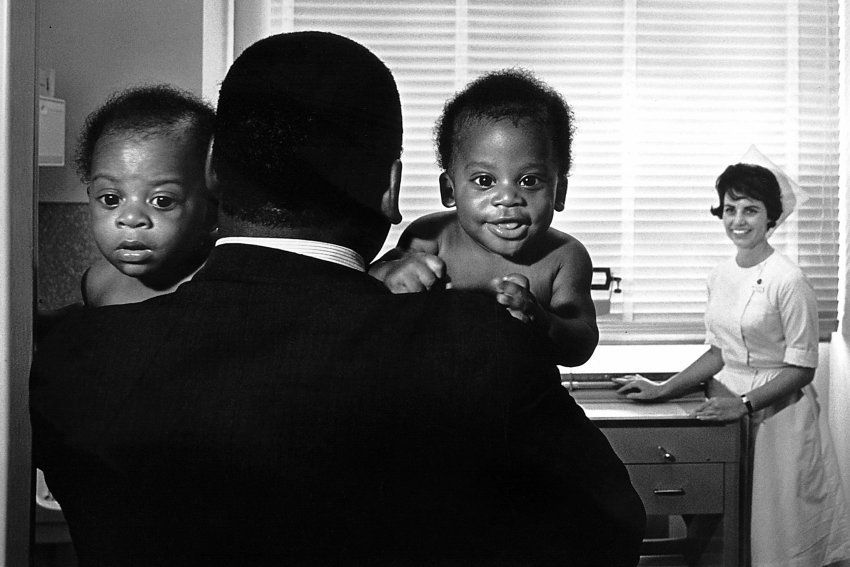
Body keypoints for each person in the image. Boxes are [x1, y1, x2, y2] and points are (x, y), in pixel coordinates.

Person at [30, 32, 645, 566]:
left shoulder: (71, 361)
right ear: (392, 189)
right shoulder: (482, 348)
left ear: (213, 171)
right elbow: (608, 530)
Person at [616, 163, 850, 567]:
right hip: (729, 407)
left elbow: (803, 367)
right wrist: (662, 389)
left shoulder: (789, 279)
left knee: (777, 533)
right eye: (730, 209)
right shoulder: (720, 275)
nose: (738, 220)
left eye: (751, 209)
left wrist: (743, 403)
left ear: (771, 217)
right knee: (730, 530)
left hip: (780, 417)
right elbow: (718, 353)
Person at [370, 69, 597, 367]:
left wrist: (539, 318)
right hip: (436, 402)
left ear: (559, 192)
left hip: (524, 404)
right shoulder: (432, 237)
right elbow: (364, 294)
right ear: (449, 190)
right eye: (484, 181)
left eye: (529, 181)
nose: (507, 198)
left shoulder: (565, 257)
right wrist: (389, 273)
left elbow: (581, 345)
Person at [77, 84, 217, 307]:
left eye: (162, 201)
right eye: (111, 199)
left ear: (211, 212)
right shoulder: (98, 282)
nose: (131, 219)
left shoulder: (214, 285)